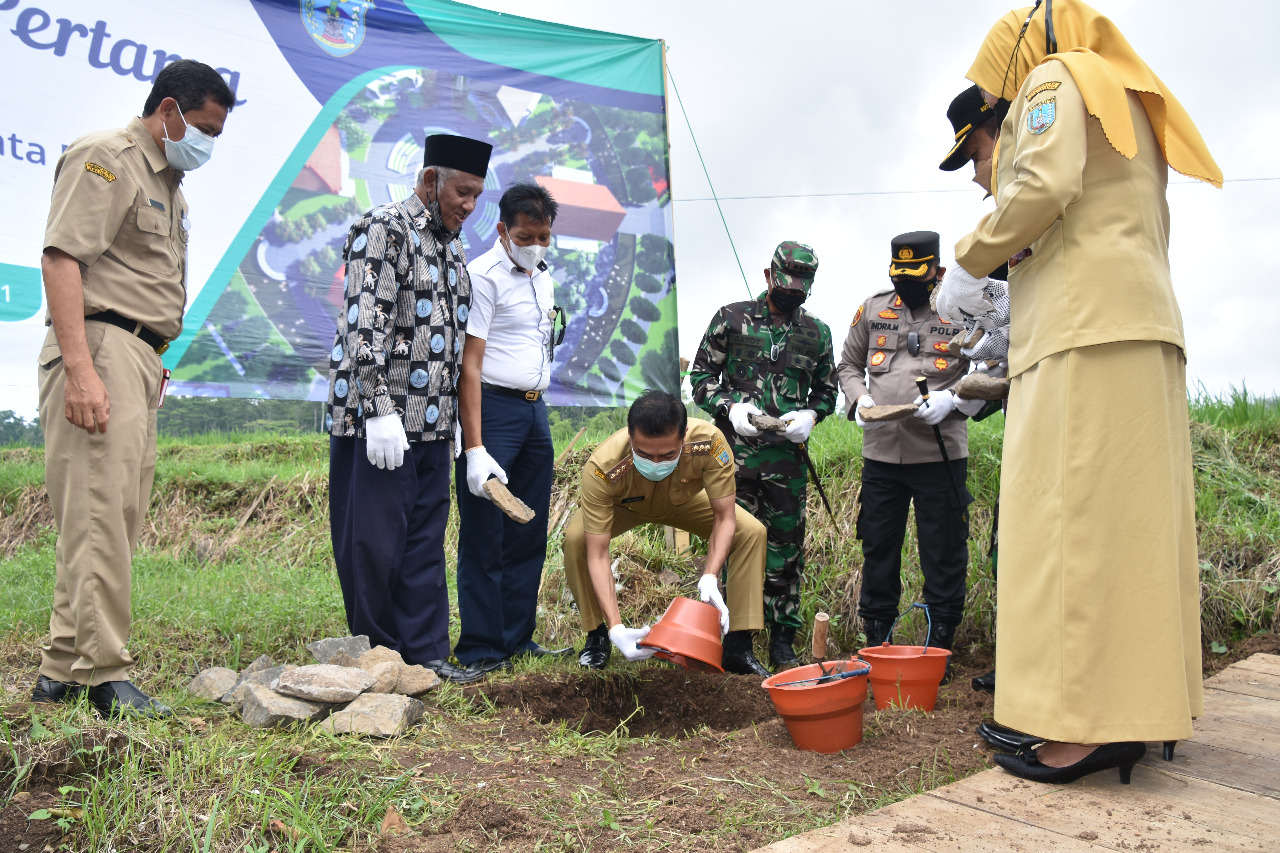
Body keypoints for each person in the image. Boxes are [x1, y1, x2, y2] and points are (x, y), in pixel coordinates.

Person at [934, 0, 1221, 784]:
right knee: (1134, 535)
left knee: (1070, 527)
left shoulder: (1055, 77)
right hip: (1138, 324)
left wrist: (972, 258)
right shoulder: (1124, 93)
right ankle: (1140, 708)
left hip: (1082, 330)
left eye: (983, 150)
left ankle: (1089, 728)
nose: (986, 171)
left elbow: (1047, 178)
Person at [32, 60, 235, 717]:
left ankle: (61, 668)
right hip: (98, 347)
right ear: (168, 110)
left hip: (135, 355)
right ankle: (105, 675)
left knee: (110, 512)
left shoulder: (171, 185)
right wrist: (84, 367)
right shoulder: (106, 157)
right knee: (99, 512)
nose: (207, 143)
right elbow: (63, 258)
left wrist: (150, 356)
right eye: (202, 128)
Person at [327, 134, 491, 683]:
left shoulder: (452, 246)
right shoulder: (384, 230)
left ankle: (425, 656)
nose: (469, 206)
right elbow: (363, 321)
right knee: (373, 544)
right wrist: (377, 406)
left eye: (476, 197)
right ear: (430, 182)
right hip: (377, 422)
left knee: (423, 540)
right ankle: (378, 658)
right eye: (462, 193)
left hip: (430, 424)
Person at [836, 231, 988, 670]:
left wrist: (957, 399)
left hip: (939, 454)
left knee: (943, 551)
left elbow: (988, 367)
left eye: (915, 276)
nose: (905, 284)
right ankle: (877, 646)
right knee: (878, 548)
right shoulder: (874, 308)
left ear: (936, 271)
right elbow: (847, 365)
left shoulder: (962, 310)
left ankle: (939, 646)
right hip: (881, 454)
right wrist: (857, 399)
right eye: (898, 275)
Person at [689, 241, 838, 671]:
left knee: (786, 551)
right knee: (736, 543)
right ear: (768, 276)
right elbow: (699, 376)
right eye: (785, 284)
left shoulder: (817, 333)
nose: (792, 293)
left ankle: (782, 643)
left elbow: (827, 391)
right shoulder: (731, 318)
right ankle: (736, 642)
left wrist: (812, 413)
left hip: (787, 465)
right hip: (734, 459)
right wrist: (730, 409)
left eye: (800, 288)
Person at [451, 181, 570, 682]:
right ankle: (481, 647)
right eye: (526, 236)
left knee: (528, 529)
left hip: (533, 411)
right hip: (492, 410)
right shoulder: (482, 276)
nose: (536, 245)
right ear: (502, 230)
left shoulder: (541, 275)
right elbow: (469, 366)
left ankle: (517, 637)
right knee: (486, 531)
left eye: (544, 236)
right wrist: (474, 445)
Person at [564, 391, 769, 675]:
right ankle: (598, 635)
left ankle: (738, 644)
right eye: (645, 454)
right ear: (631, 437)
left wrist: (710, 576)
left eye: (668, 454)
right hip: (625, 507)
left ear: (683, 436)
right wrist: (616, 626)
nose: (656, 463)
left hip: (683, 501)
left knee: (752, 532)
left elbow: (724, 516)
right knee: (576, 540)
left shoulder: (709, 443)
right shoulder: (603, 467)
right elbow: (598, 553)